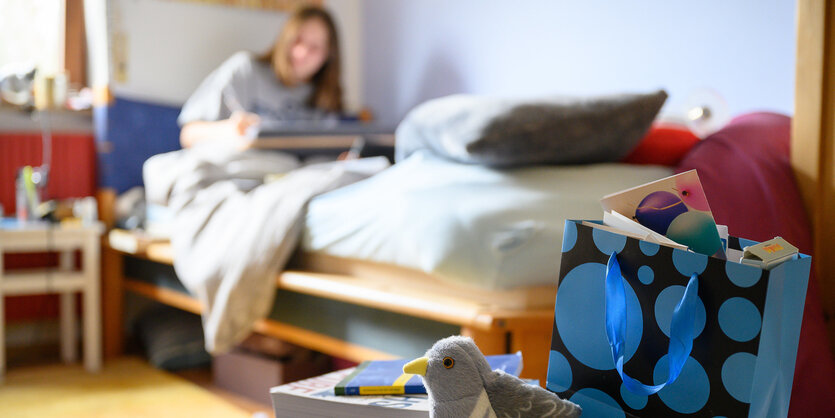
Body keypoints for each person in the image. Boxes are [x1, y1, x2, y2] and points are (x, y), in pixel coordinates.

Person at [178, 5, 343, 149]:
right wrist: (229, 129)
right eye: (297, 40)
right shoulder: (245, 70)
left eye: (314, 47)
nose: (302, 53)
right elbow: (188, 135)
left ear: (328, 56)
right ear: (285, 38)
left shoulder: (325, 97)